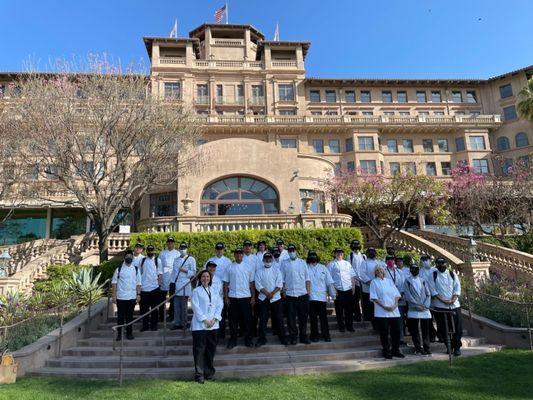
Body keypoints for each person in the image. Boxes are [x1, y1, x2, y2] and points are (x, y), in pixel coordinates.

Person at [191, 270, 223, 384]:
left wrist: (214, 319)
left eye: (208, 276)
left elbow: (220, 304)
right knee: (199, 350)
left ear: (210, 278)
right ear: (200, 279)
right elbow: (195, 307)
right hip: (200, 326)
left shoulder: (214, 290)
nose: (206, 278)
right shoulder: (196, 291)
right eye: (203, 276)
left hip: (213, 325)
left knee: (210, 350)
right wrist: (205, 320)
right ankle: (199, 375)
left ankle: (209, 373)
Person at [429, 257, 463, 356]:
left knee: (458, 328)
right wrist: (443, 300)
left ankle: (457, 347)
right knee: (443, 328)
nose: (441, 265)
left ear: (446, 264)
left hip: (454, 305)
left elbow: (457, 288)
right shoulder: (433, 275)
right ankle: (448, 346)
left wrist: (453, 299)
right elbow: (433, 291)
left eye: (442, 263)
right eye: (438, 264)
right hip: (440, 306)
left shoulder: (452, 274)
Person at [370, 265, 404, 359]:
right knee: (384, 333)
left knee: (396, 332)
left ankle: (395, 350)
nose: (379, 271)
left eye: (381, 270)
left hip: (394, 310)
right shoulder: (374, 282)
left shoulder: (389, 281)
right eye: (377, 270)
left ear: (384, 271)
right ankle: (386, 351)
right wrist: (384, 306)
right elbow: (374, 297)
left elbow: (397, 294)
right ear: (375, 272)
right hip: (382, 312)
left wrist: (395, 304)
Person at [223, 248, 255, 349]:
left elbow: (252, 283)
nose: (239, 255)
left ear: (243, 255)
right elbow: (225, 283)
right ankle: (233, 340)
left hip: (246, 297)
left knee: (247, 320)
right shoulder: (229, 267)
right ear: (234, 255)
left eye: (240, 254)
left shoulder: (249, 267)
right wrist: (226, 297)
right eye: (237, 254)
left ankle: (248, 339)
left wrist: (253, 297)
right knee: (233, 321)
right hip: (233, 297)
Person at [280, 244, 311, 345]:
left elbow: (307, 279)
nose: (291, 252)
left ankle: (303, 336)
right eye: (289, 250)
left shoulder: (302, 262)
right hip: (290, 294)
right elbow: (282, 279)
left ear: (296, 251)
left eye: (293, 250)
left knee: (303, 317)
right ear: (288, 252)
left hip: (302, 293)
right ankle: (293, 336)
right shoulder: (284, 263)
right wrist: (283, 291)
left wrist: (308, 292)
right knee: (290, 317)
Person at [254, 252, 286, 346]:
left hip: (276, 298)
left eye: (269, 259)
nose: (267, 260)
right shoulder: (259, 271)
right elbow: (258, 285)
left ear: (271, 260)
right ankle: (262, 339)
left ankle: (282, 337)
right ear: (263, 260)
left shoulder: (277, 270)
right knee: (263, 319)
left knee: (279, 318)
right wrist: (267, 293)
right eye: (266, 259)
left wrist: (272, 293)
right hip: (263, 298)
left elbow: (279, 284)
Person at [111, 250, 141, 341]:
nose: (129, 258)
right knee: (120, 317)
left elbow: (138, 283)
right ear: (124, 258)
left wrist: (138, 294)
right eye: (127, 256)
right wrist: (113, 296)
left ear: (132, 258)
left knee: (130, 317)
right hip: (121, 297)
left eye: (130, 257)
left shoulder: (136, 269)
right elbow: (114, 283)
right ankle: (119, 334)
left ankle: (129, 333)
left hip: (131, 297)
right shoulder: (119, 269)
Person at [204, 242, 232, 339]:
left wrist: (226, 295)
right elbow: (204, 275)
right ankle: (212, 335)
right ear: (215, 250)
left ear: (223, 250)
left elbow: (230, 277)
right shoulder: (210, 260)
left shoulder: (228, 261)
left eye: (221, 249)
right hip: (210, 290)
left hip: (223, 290)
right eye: (218, 249)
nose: (219, 251)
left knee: (222, 315)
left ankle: (222, 335)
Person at [404, 264, 432, 356]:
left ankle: (427, 348)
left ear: (418, 270)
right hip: (413, 310)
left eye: (415, 269)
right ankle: (418, 348)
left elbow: (428, 294)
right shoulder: (407, 281)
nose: (414, 270)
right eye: (412, 269)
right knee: (415, 331)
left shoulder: (423, 281)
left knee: (425, 330)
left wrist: (425, 305)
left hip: (424, 310)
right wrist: (417, 305)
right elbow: (408, 295)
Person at [308, 251, 335, 342]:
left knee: (323, 318)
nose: (313, 258)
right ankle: (314, 335)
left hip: (322, 297)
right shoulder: (306, 268)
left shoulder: (323, 268)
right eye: (311, 256)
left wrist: (333, 295)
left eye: (314, 256)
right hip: (310, 297)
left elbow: (329, 282)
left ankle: (326, 335)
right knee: (313, 318)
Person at [170, 242, 197, 330]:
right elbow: (174, 273)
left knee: (183, 306)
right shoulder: (176, 259)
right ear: (179, 249)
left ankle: (184, 323)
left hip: (185, 285)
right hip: (177, 285)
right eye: (181, 248)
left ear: (187, 248)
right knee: (176, 306)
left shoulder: (191, 259)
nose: (182, 249)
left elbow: (193, 273)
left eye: (184, 248)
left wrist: (185, 270)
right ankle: (177, 323)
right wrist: (172, 284)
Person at [328, 248, 356, 332]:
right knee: (339, 310)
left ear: (343, 254)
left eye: (341, 253)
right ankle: (341, 326)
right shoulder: (331, 264)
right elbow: (329, 278)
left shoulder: (347, 263)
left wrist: (353, 286)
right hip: (338, 289)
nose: (339, 254)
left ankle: (349, 326)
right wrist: (333, 289)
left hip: (348, 288)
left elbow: (352, 275)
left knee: (349, 310)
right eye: (337, 253)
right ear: (335, 254)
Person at [384, 254, 407, 344]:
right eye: (388, 260)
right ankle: (390, 338)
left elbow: (403, 284)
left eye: (392, 260)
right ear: (386, 262)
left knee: (400, 320)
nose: (391, 261)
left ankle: (400, 338)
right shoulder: (384, 272)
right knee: (390, 319)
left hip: (399, 298)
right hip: (389, 299)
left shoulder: (399, 272)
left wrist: (400, 295)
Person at [359, 247, 384, 330]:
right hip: (368, 289)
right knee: (370, 308)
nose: (371, 253)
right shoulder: (364, 262)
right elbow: (362, 274)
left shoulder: (379, 262)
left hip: (379, 288)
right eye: (370, 251)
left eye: (373, 251)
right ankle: (374, 325)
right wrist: (370, 282)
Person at [158, 237, 180, 322]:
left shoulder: (177, 253)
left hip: (173, 277)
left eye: (172, 242)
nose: (170, 244)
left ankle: (172, 316)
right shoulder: (162, 253)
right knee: (161, 299)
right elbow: (159, 266)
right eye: (169, 242)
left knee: (173, 299)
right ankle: (162, 317)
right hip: (164, 276)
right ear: (167, 243)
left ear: (174, 243)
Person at [139, 245, 161, 332]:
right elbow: (139, 273)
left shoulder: (157, 260)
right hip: (144, 289)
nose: (150, 252)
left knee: (155, 309)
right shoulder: (142, 260)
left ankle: (154, 325)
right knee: (144, 309)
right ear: (146, 251)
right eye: (149, 250)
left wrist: (158, 286)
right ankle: (145, 326)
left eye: (151, 250)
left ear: (154, 251)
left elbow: (160, 274)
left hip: (154, 288)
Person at [419, 254, 438, 342]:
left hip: (436, 297)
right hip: (426, 298)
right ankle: (432, 335)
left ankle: (441, 335)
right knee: (428, 318)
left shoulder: (435, 270)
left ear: (430, 260)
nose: (425, 261)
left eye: (426, 259)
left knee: (438, 318)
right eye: (423, 260)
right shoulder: (420, 271)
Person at [347, 239, 365, 323]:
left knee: (364, 300)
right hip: (355, 281)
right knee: (355, 300)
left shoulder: (363, 256)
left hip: (364, 281)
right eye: (354, 244)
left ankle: (365, 315)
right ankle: (357, 316)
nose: (356, 246)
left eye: (357, 244)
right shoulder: (350, 255)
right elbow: (349, 268)